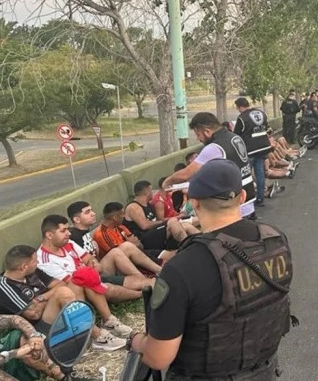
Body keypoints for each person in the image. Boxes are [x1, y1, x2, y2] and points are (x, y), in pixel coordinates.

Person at [131, 159, 294, 380]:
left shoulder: (183, 268)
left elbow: (158, 358)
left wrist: (137, 341)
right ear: (242, 197)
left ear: (195, 203)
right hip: (264, 371)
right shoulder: (275, 239)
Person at [0, 245, 126, 351]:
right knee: (63, 293)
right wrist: (55, 297)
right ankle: (98, 337)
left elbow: (60, 283)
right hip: (39, 329)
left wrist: (43, 297)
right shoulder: (5, 287)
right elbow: (34, 314)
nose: (38, 263)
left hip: (54, 310)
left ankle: (109, 321)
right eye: (35, 261)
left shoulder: (33, 272)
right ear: (23, 267)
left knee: (81, 278)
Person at [36, 214, 154, 304]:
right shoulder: (44, 260)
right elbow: (72, 282)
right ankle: (141, 294)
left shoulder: (67, 243)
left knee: (116, 252)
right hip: (85, 287)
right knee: (110, 288)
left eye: (67, 229)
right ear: (49, 235)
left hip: (93, 274)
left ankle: (152, 277)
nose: (68, 233)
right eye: (63, 231)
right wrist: (93, 268)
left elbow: (89, 258)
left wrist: (95, 264)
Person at [162, 112, 258, 219]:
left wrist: (168, 181)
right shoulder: (235, 137)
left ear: (207, 131)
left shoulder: (214, 147)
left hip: (232, 206)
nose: (199, 139)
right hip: (248, 198)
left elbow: (186, 174)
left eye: (198, 135)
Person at [68, 201, 163, 276]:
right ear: (77, 219)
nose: (93, 214)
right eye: (87, 212)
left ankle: (158, 272)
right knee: (120, 250)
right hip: (92, 274)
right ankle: (145, 278)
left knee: (127, 246)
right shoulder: (72, 236)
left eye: (92, 210)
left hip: (100, 268)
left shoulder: (86, 234)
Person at [0, 314, 67, 381]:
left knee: (36, 352)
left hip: (12, 341)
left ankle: (67, 376)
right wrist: (15, 353)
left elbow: (14, 319)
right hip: (9, 369)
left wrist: (33, 336)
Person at [233, 97, 272, 208]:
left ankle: (247, 200)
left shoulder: (242, 118)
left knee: (246, 176)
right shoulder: (261, 113)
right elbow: (267, 128)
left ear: (239, 106)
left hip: (250, 150)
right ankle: (260, 198)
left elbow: (236, 135)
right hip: (263, 146)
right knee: (260, 173)